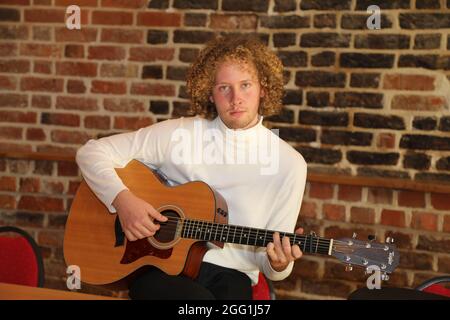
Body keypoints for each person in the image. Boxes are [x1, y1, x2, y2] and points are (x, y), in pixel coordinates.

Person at [75, 34, 307, 300]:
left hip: (233, 276)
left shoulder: (289, 165)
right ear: (210, 92)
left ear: (263, 88)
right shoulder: (181, 134)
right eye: (224, 88)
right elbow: (91, 152)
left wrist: (279, 264)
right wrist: (123, 201)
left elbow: (273, 266)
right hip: (161, 268)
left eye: (246, 85)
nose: (236, 98)